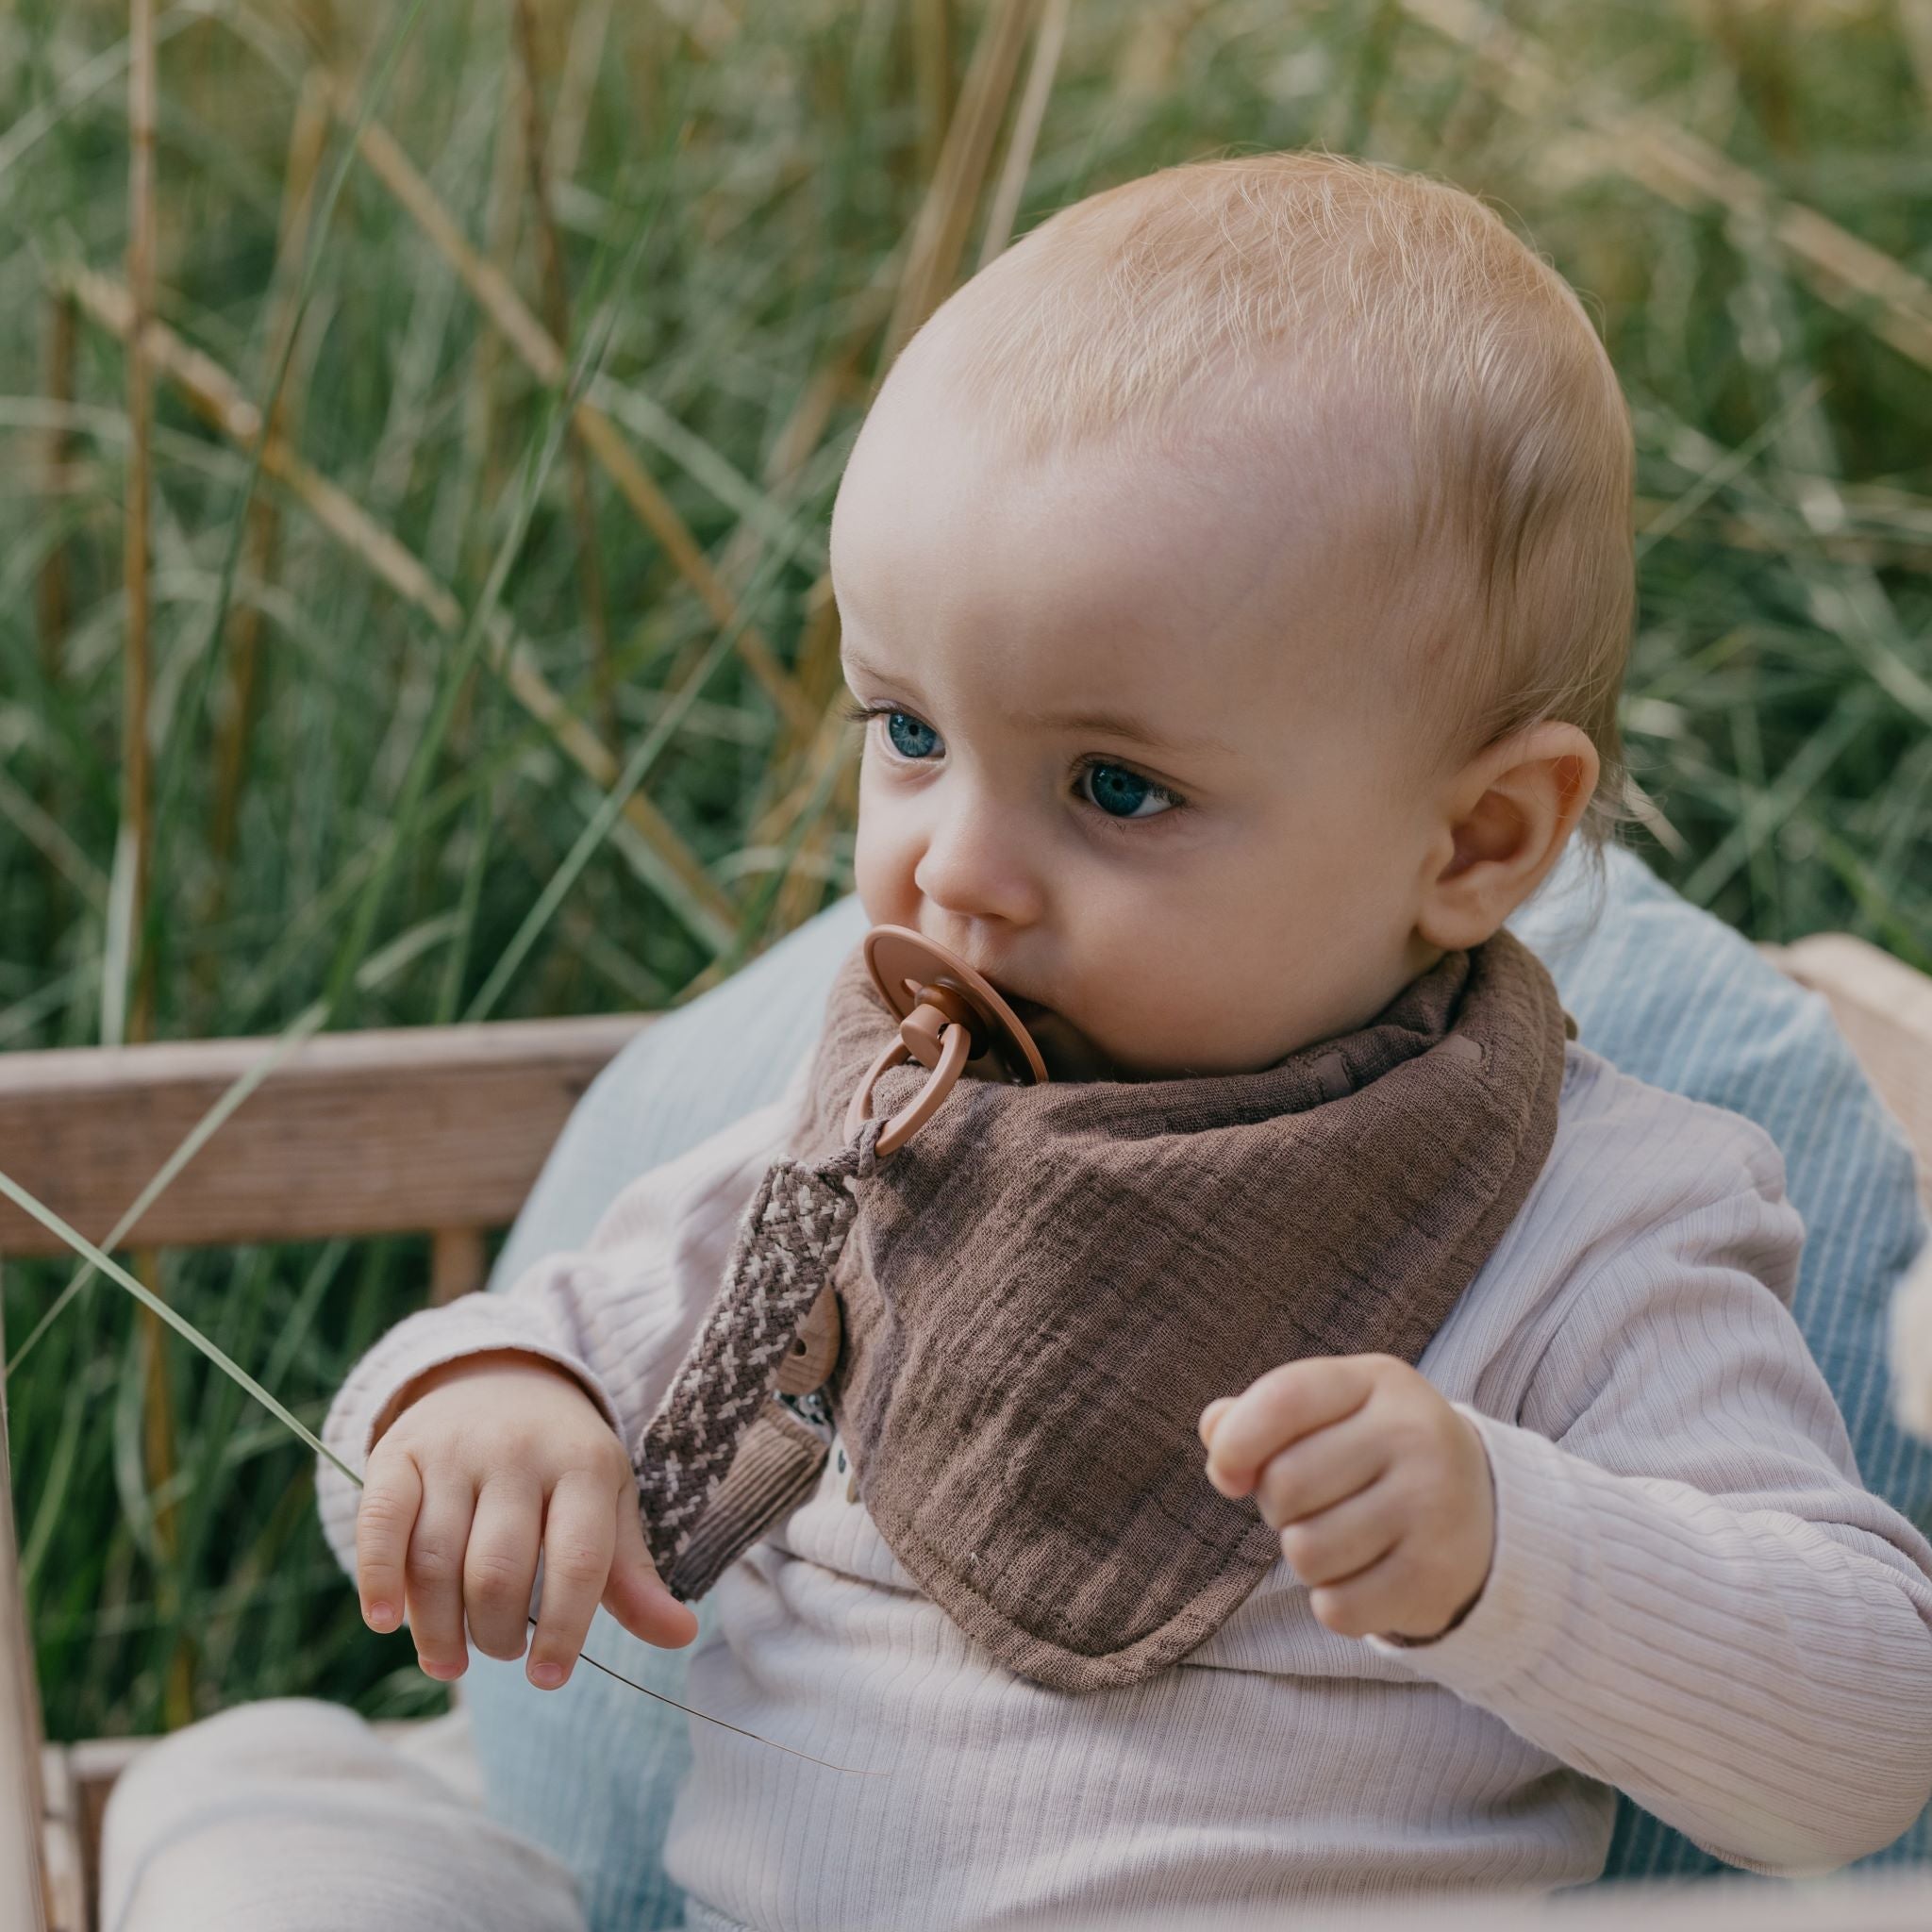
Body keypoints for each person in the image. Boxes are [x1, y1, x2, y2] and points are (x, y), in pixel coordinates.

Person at [317, 153, 1932, 1929]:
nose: (958, 866)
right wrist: (485, 1411)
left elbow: (1859, 1755)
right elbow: (483, 1381)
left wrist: (1513, 1546)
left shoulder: (1590, 1219)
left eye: (1116, 787)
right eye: (908, 729)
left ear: (1475, 842)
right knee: (282, 1849)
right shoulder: (875, 1134)